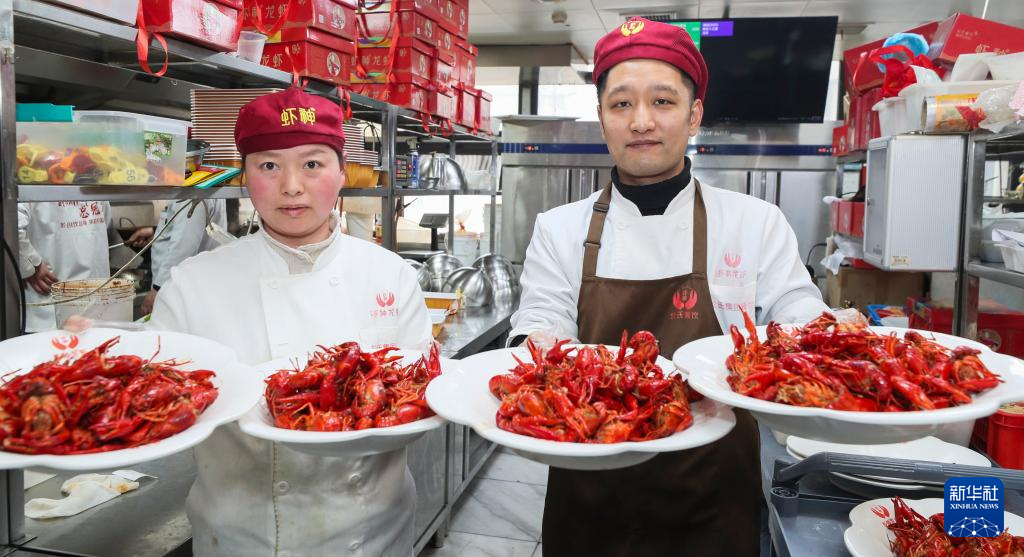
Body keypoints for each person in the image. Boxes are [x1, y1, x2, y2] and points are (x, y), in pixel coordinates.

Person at [509, 18, 830, 556]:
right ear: (602, 117)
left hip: (712, 493)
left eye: (662, 101)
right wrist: (538, 345)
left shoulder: (753, 221)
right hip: (587, 483)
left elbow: (793, 305)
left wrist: (823, 328)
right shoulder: (559, 228)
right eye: (621, 104)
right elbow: (543, 315)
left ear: (694, 115)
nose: (641, 122)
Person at [148, 87, 432, 556]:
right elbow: (151, 391)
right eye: (269, 166)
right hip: (240, 537)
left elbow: (422, 395)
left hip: (371, 535)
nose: (292, 186)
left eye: (312, 164)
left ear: (343, 172)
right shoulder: (191, 285)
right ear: (245, 176)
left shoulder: (390, 275)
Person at [18, 201, 126, 332]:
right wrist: (32, 264)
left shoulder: (96, 190)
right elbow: (11, 225)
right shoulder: (32, 191)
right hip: (49, 313)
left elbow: (105, 222)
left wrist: (30, 263)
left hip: (94, 308)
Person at [136, 199, 228, 315]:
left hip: (180, 294)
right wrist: (157, 232)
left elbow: (183, 246)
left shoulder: (193, 193)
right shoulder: (193, 193)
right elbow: (185, 225)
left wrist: (159, 289)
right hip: (194, 290)